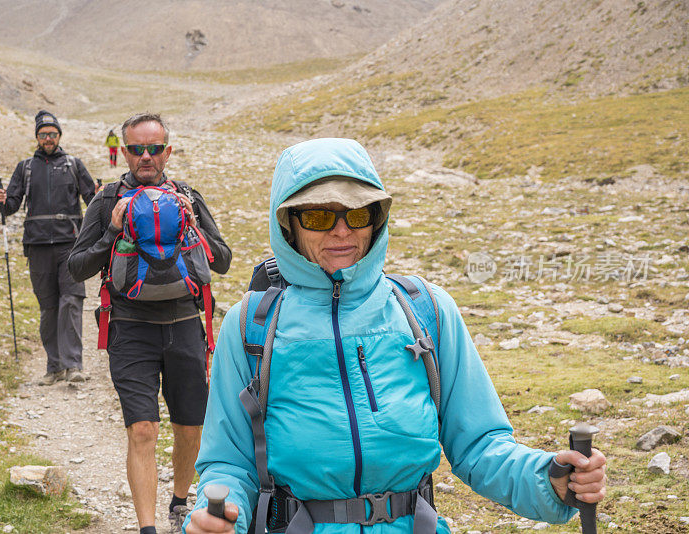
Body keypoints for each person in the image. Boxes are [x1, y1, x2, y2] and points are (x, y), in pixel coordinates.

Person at [185, 138, 607, 534]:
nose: (341, 231)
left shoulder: (426, 309)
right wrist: (217, 517)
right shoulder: (250, 326)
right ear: (287, 224)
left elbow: (479, 445)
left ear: (376, 220)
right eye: (317, 215)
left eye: (357, 213)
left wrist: (548, 479)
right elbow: (228, 463)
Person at [68, 113, 232, 534]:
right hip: (129, 327)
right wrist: (112, 231)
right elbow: (76, 267)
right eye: (137, 149)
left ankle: (179, 502)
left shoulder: (187, 196)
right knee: (142, 429)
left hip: (184, 325)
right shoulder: (106, 201)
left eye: (154, 148)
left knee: (189, 427)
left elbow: (224, 260)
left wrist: (194, 225)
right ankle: (148, 528)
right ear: (124, 152)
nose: (146, 156)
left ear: (167, 152)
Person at [0, 110, 96, 386]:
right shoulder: (25, 167)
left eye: (52, 134)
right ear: (37, 137)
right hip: (37, 246)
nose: (48, 138)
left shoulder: (74, 165)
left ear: (59, 135)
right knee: (49, 307)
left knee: (71, 301)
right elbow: (12, 206)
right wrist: (2, 201)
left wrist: (100, 195)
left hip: (70, 246)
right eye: (42, 134)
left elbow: (92, 199)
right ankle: (54, 367)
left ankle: (73, 365)